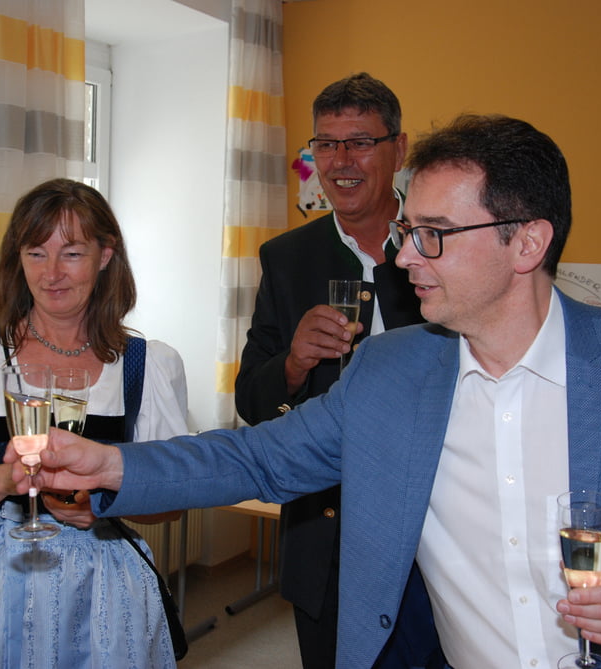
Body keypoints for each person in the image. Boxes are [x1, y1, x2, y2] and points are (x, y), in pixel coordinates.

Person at [8, 115, 601, 667]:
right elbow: (257, 458)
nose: (403, 257)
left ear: (527, 242)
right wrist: (112, 465)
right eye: (407, 230)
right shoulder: (390, 372)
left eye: (433, 234)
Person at [0, 178, 190, 668]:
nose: (52, 273)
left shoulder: (148, 366)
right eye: (36, 253)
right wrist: (10, 478)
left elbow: (173, 503)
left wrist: (102, 504)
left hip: (105, 589)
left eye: (72, 254)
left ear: (105, 256)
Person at [234, 71, 438, 668]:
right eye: (326, 144)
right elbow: (253, 401)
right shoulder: (286, 258)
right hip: (326, 537)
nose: (341, 162)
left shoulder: (438, 245)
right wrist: (295, 363)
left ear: (399, 149)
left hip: (434, 527)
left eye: (361, 142)